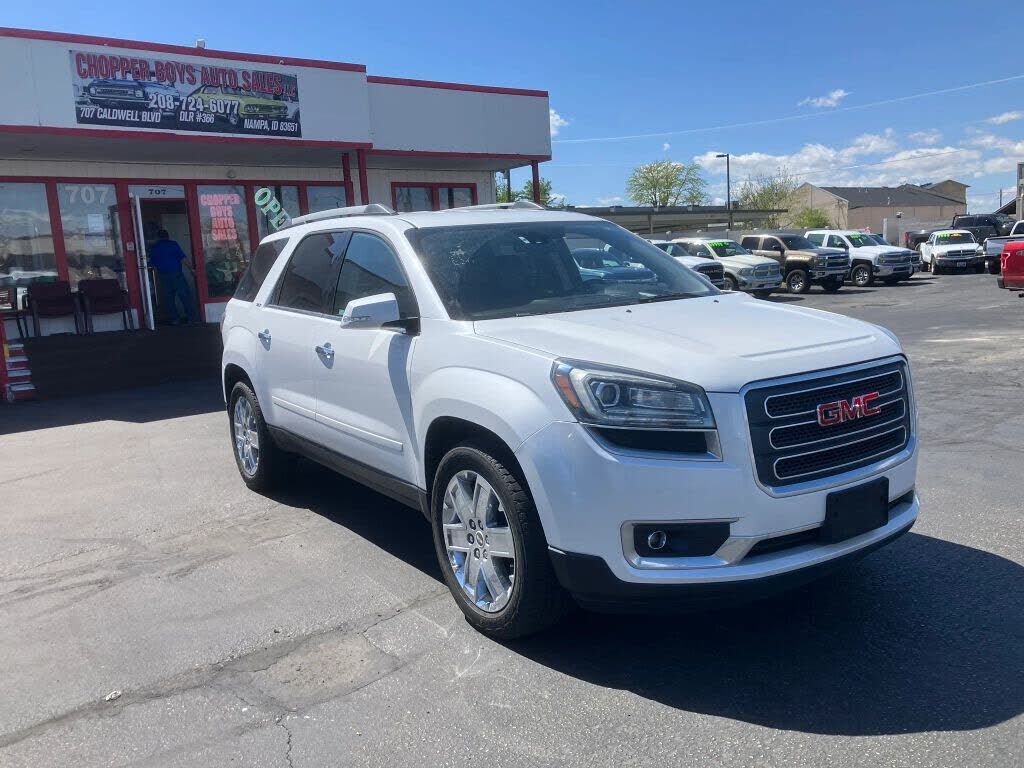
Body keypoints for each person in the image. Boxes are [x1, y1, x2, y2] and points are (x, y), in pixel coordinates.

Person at [149, 229, 198, 325]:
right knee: (184, 296)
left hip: (163, 275)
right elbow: (183, 258)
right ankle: (191, 318)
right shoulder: (172, 244)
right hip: (176, 274)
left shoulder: (154, 248)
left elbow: (152, 265)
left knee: (169, 299)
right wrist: (191, 269)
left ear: (158, 237)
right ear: (167, 236)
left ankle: (175, 319)